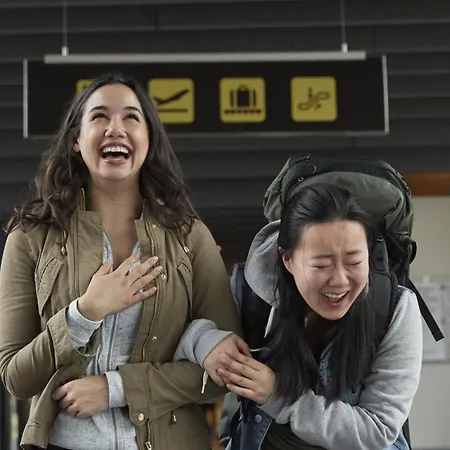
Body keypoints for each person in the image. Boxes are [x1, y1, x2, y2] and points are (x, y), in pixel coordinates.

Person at [0, 72, 242, 450]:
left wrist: (116, 389)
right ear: (76, 140)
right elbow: (16, 377)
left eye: (131, 117)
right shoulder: (29, 238)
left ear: (149, 140)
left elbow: (227, 370)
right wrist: (84, 314)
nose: (116, 128)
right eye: (99, 116)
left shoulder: (191, 238)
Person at [175, 184, 423, 450]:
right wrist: (207, 344)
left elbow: (378, 430)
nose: (340, 280)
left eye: (354, 262)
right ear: (287, 260)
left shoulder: (395, 308)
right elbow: (175, 337)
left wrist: (278, 396)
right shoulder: (249, 295)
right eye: (321, 265)